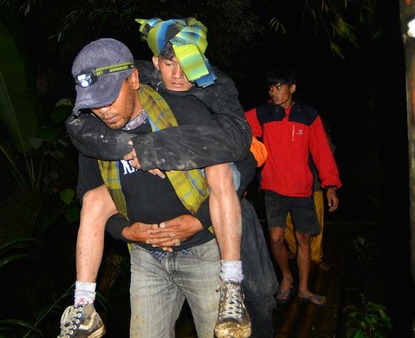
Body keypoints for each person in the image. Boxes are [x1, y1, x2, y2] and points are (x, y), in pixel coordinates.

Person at [59, 18, 276, 338]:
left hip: (203, 250)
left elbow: (241, 157)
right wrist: (127, 230)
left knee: (218, 167)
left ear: (132, 79)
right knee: (94, 199)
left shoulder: (200, 100)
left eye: (188, 64)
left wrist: (199, 219)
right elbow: (87, 192)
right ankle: (83, 306)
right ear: (154, 63)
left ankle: (232, 283)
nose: (102, 109)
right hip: (147, 260)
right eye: (168, 63)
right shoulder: (97, 129)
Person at [245, 67, 341, 307]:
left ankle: (305, 289)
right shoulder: (264, 113)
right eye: (271, 87)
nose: (274, 91)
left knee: (303, 239)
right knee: (276, 238)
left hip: (301, 190)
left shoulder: (308, 115)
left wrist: (330, 185)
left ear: (292, 88)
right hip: (273, 189)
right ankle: (287, 277)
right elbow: (237, 125)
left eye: (279, 86)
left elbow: (322, 151)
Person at [284, 122, 336, 271]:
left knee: (316, 222)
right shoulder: (281, 126)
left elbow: (329, 151)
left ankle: (315, 256)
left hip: (313, 185)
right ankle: (294, 249)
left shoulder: (314, 125)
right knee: (288, 220)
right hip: (288, 185)